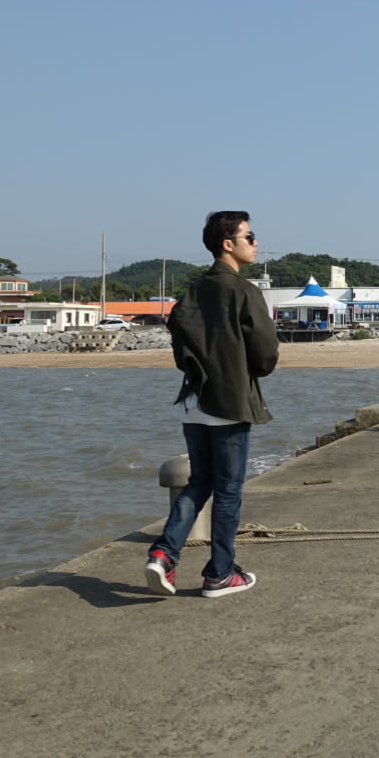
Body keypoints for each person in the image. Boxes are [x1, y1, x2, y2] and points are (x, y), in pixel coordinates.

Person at [145, 211, 279, 598]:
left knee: (199, 482)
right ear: (228, 244)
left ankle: (164, 554)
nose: (255, 243)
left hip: (194, 400)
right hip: (229, 400)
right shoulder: (243, 290)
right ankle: (219, 574)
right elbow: (265, 351)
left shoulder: (191, 291)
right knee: (228, 490)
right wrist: (249, 370)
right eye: (249, 236)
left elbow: (180, 345)